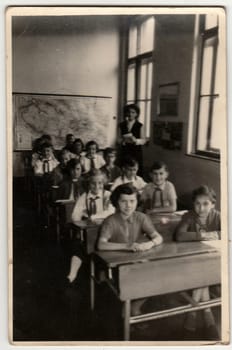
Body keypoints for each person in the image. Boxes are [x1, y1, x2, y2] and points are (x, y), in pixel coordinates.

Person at [98, 183, 163, 315]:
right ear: (116, 202)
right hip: (117, 265)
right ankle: (131, 308)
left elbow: (158, 237)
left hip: (136, 261)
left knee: (156, 276)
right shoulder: (110, 221)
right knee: (141, 279)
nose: (128, 205)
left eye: (132, 201)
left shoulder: (141, 217)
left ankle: (133, 306)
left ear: (137, 201)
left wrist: (150, 244)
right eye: (123, 201)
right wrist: (127, 247)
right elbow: (101, 245)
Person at [175, 185, 220, 339]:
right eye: (197, 204)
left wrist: (217, 233)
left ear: (213, 204)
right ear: (193, 205)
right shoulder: (189, 216)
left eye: (206, 204)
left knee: (204, 273)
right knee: (203, 273)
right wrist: (204, 236)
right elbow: (179, 236)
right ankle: (208, 317)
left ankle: (192, 313)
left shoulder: (218, 216)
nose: (201, 208)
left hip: (211, 260)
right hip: (190, 261)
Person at [67, 169, 115, 283]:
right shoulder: (84, 197)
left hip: (106, 229)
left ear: (103, 183)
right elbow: (75, 215)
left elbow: (111, 211)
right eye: (93, 183)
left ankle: (108, 274)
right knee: (78, 247)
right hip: (89, 230)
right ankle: (72, 273)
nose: (97, 186)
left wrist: (94, 217)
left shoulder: (107, 195)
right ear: (88, 184)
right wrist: (81, 220)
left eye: (100, 183)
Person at [118, 104, 147, 175]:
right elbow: (118, 139)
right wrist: (123, 141)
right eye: (129, 112)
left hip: (136, 152)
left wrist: (136, 141)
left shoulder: (140, 125)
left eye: (133, 112)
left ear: (137, 114)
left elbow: (144, 140)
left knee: (136, 171)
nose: (130, 114)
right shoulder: (121, 125)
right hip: (125, 151)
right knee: (124, 169)